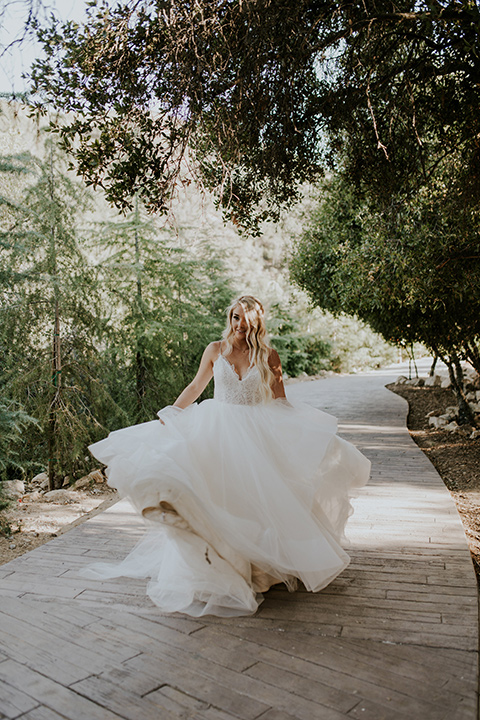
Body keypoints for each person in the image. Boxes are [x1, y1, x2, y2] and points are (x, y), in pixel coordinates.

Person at [83, 295, 370, 617]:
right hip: (216, 427)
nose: (238, 326)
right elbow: (196, 387)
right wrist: (172, 415)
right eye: (234, 318)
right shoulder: (215, 349)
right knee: (217, 494)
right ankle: (224, 566)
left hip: (256, 432)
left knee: (260, 498)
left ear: (256, 323)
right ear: (229, 317)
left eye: (245, 321)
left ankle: (262, 569)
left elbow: (280, 401)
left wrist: (305, 432)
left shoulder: (268, 355)